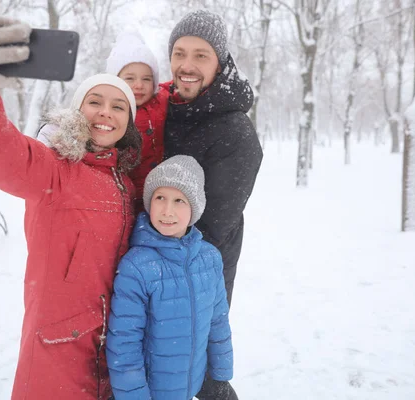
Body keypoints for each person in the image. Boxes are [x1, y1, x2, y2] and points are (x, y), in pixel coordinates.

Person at [0, 14, 141, 400]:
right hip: (59, 352)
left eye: (118, 106)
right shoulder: (55, 170)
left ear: (127, 122)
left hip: (115, 354)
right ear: (78, 112)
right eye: (94, 101)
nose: (105, 112)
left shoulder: (127, 184)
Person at [159, 9, 263, 399]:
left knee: (199, 371)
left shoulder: (235, 132)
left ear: (220, 62)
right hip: (150, 263)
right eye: (179, 53)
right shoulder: (165, 108)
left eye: (201, 56)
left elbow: (211, 229)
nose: (187, 65)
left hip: (200, 270)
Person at [106, 155, 233, 400]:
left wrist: (220, 377)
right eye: (160, 198)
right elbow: (124, 344)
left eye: (179, 201)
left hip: (190, 386)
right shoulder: (137, 266)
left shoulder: (210, 259)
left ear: (195, 208)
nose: (167, 211)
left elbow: (218, 323)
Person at [106, 31, 169, 213]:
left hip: (161, 191)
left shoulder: (163, 100)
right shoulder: (112, 111)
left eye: (146, 79)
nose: (139, 85)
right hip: (128, 192)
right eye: (130, 79)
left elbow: (178, 89)